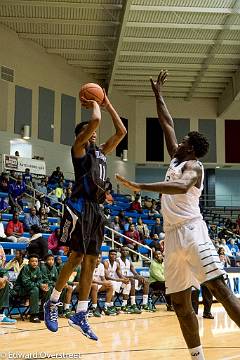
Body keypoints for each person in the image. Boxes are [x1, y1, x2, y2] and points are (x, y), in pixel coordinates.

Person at [115, 70, 240, 360]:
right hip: (172, 238)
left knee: (220, 290)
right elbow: (166, 123)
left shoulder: (193, 167)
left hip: (193, 231)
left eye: (184, 141)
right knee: (181, 305)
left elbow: (180, 186)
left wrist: (141, 185)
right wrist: (158, 94)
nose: (178, 142)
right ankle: (197, 357)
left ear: (192, 149)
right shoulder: (176, 157)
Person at [44, 92, 127, 341]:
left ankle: (80, 313)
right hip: (78, 206)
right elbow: (95, 123)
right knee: (76, 256)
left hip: (96, 210)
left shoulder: (101, 152)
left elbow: (121, 131)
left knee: (91, 260)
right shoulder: (78, 150)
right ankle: (53, 301)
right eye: (88, 131)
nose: (94, 133)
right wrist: (94, 104)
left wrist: (108, 103)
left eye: (93, 133)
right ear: (80, 135)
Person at [104, 249, 131, 313]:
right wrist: (119, 280)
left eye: (115, 254)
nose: (113, 256)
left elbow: (120, 275)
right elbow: (107, 277)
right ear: (108, 255)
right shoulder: (106, 262)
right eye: (112, 254)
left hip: (115, 281)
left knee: (128, 283)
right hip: (106, 281)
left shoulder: (117, 264)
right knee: (112, 283)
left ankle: (124, 305)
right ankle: (111, 305)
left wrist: (125, 279)